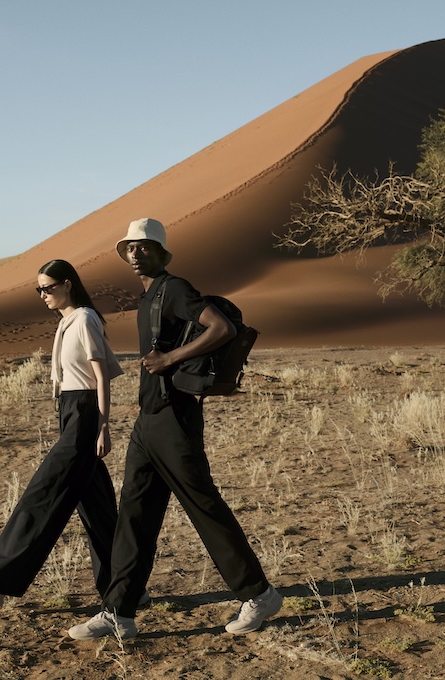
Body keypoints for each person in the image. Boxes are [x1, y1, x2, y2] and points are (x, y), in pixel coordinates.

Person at [68, 218, 281, 640]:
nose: (135, 254)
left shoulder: (175, 289)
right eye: (130, 248)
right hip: (148, 420)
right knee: (134, 514)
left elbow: (222, 328)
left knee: (203, 506)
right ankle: (119, 610)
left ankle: (259, 594)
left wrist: (170, 359)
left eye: (144, 247)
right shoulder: (148, 296)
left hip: (175, 418)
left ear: (162, 253)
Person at [0, 259, 124, 609]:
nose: (43, 294)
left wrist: (103, 425)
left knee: (42, 496)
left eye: (48, 287)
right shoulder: (66, 322)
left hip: (84, 414)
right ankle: (126, 587)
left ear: (67, 284)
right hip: (70, 411)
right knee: (98, 510)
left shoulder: (85, 319)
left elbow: (101, 376)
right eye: (39, 289)